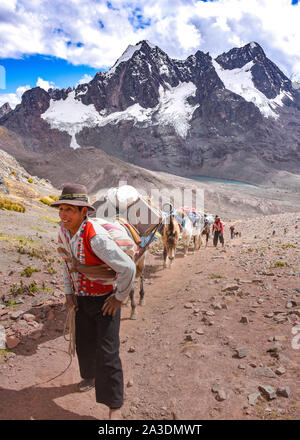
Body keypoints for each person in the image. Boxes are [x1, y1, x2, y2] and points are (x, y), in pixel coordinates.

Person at [51, 183, 136, 420]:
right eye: (62, 208)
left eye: (70, 209)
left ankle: (114, 406)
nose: (64, 214)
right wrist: (69, 293)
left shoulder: (96, 238)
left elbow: (128, 268)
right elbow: (66, 264)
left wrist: (118, 298)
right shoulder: (64, 233)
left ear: (83, 213)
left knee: (108, 352)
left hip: (105, 301)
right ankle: (88, 377)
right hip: (82, 299)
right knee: (84, 343)